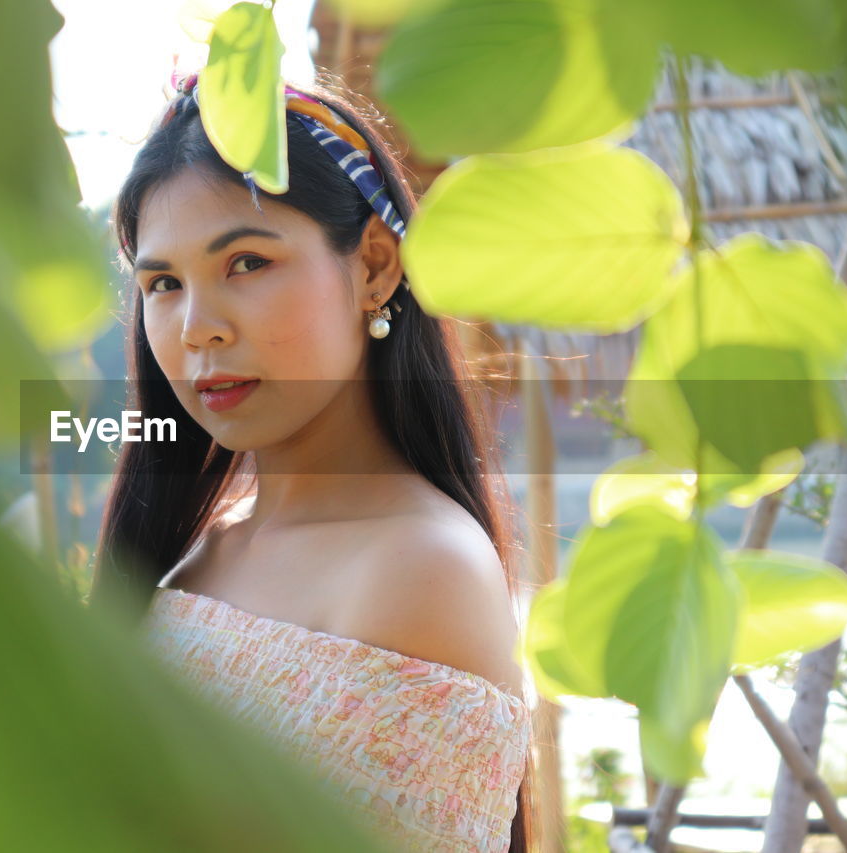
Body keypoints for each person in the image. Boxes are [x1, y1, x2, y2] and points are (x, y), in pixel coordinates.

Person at [90, 68, 537, 853]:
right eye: (162, 282)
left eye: (247, 263)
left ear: (373, 267)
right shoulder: (207, 543)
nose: (198, 328)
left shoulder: (421, 570)